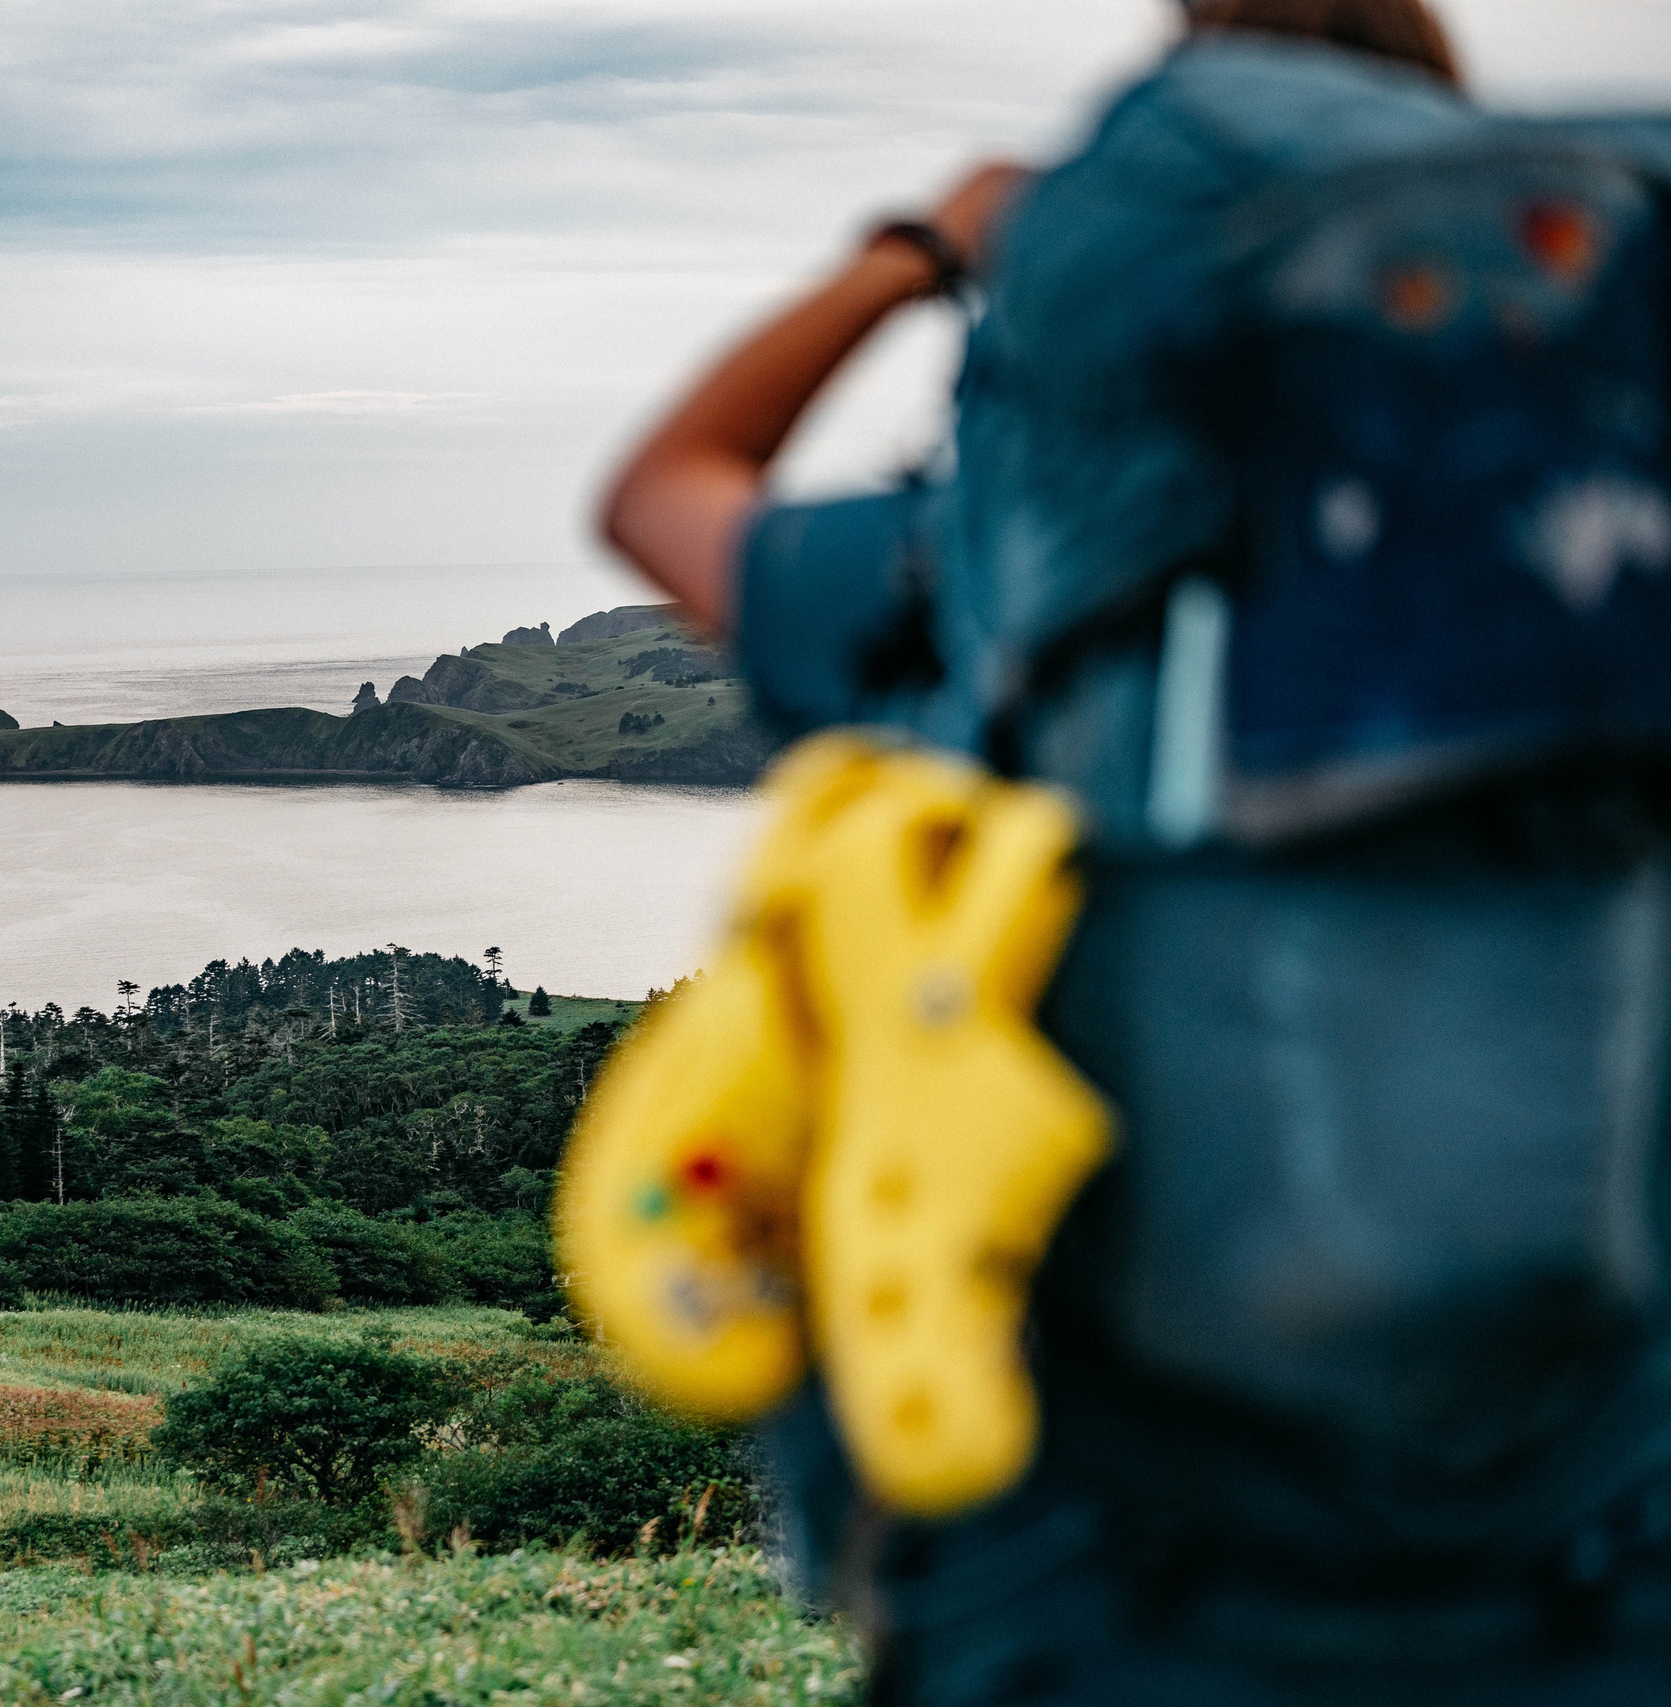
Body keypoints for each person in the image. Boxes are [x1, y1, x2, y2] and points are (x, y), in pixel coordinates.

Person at [600, 2, 1671, 1702]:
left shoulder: (1008, 583)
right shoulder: (1618, 594)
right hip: (1606, 1583)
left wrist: (921, 252)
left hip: (1112, 1601)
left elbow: (664, 489)